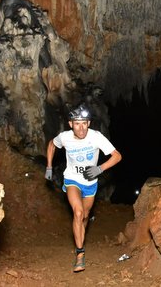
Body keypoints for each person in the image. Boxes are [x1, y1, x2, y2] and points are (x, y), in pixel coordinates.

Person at [44, 104, 122, 273]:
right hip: (72, 179)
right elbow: (51, 145)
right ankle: (80, 254)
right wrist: (49, 166)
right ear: (71, 124)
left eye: (84, 123)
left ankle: (80, 234)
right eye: (77, 123)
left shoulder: (96, 137)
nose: (81, 128)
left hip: (90, 183)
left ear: (89, 123)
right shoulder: (65, 137)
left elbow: (117, 156)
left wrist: (99, 169)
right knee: (78, 212)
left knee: (85, 216)